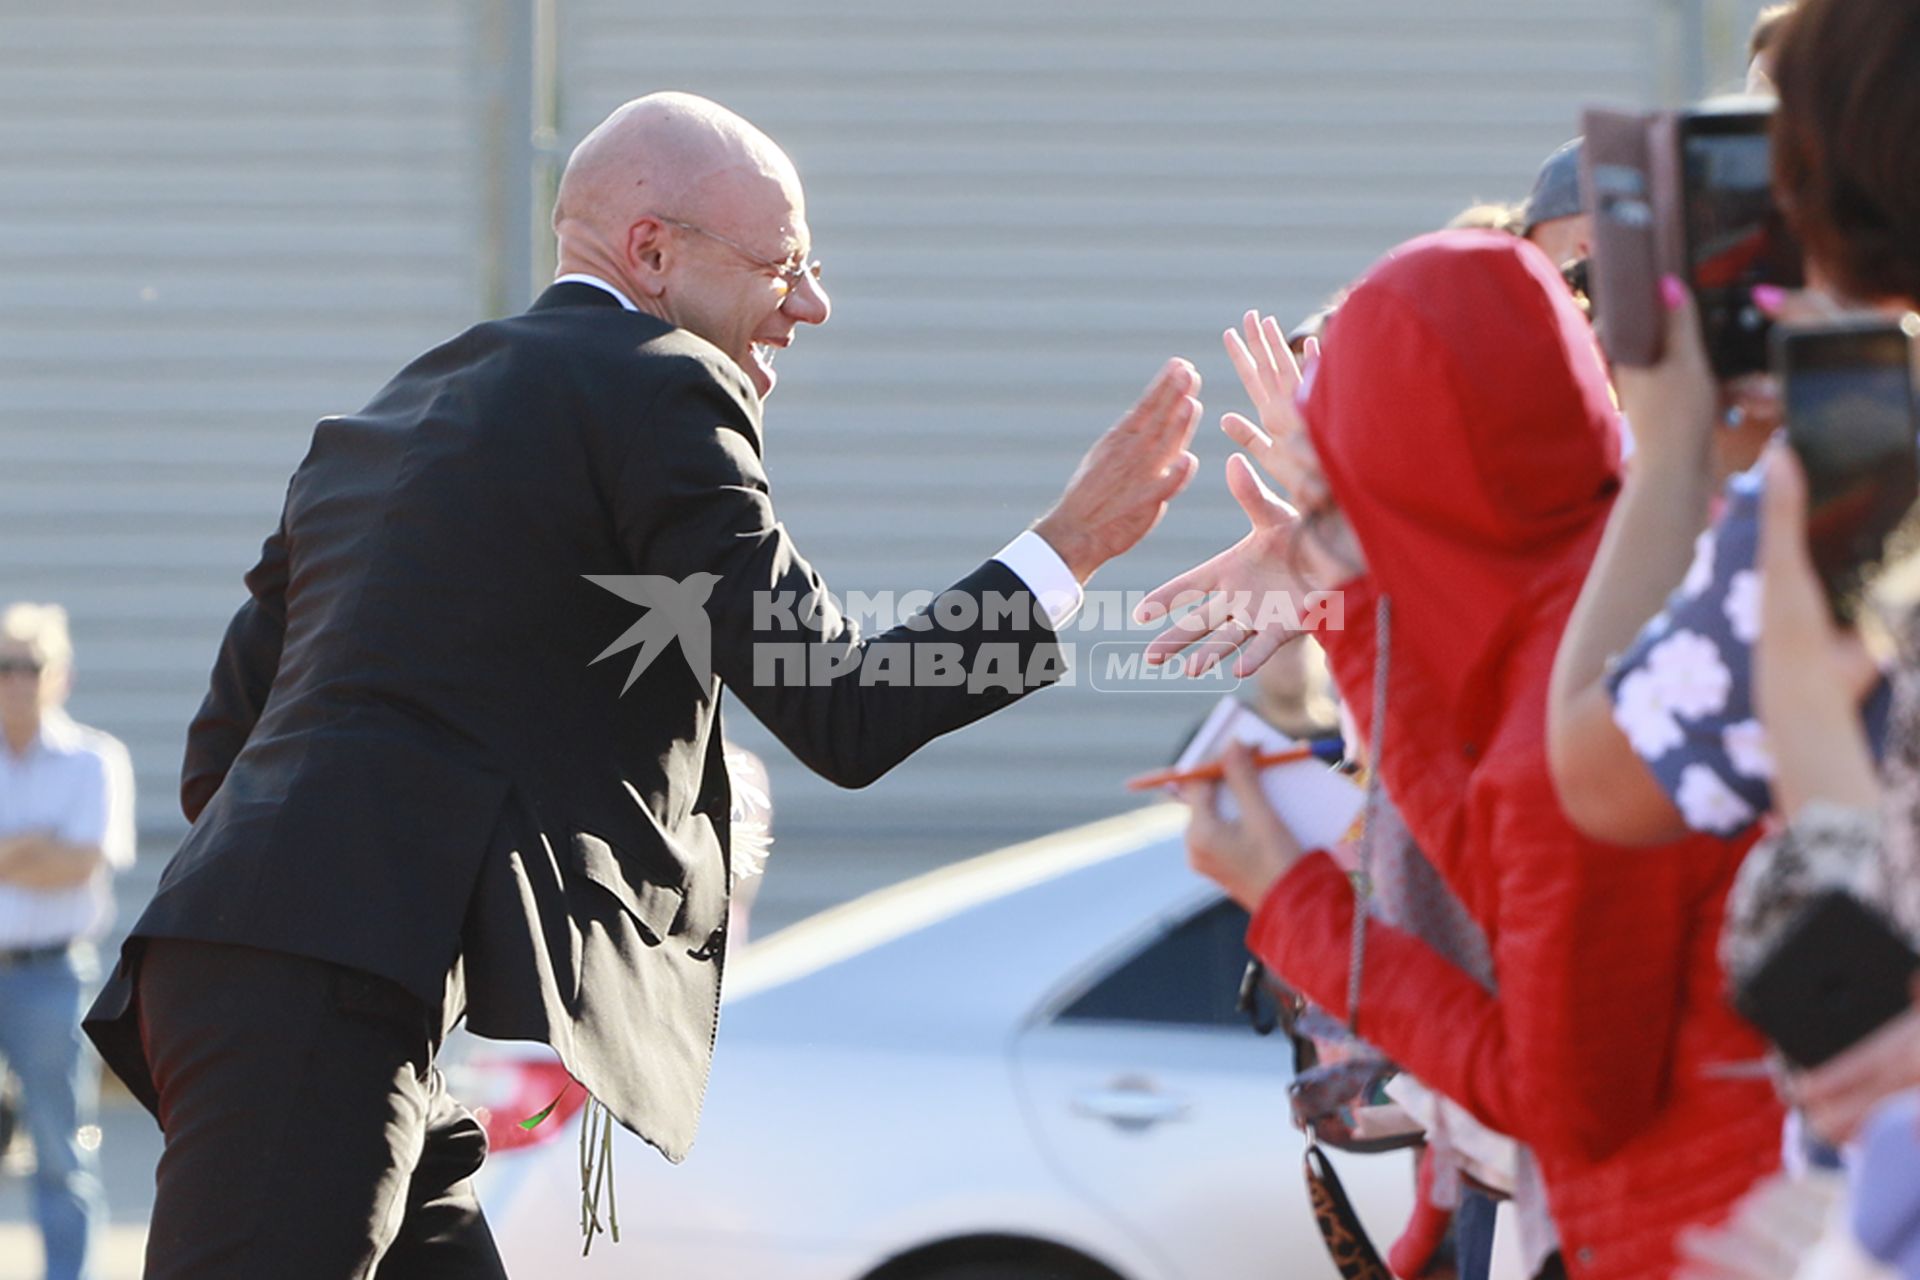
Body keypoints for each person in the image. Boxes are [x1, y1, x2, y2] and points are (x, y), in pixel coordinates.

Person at [83, 91, 1202, 1279]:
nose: (812, 302)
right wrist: (1064, 550)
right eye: (785, 266)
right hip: (326, 991)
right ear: (654, 253)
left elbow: (226, 753)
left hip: (287, 971)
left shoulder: (397, 408)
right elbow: (843, 704)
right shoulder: (663, 382)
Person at [1145, 231, 1783, 1279]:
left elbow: (1562, 1099)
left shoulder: (1561, 715)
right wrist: (1349, 585)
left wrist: (1294, 905)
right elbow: (1480, 839)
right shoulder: (1651, 558)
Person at [0, 603, 134, 1280]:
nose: (18, 679)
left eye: (32, 664)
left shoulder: (94, 761)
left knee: (59, 1148)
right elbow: (57, 855)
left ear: (62, 676)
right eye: (5, 666)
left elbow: (84, 862)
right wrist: (35, 847)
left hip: (49, 975)